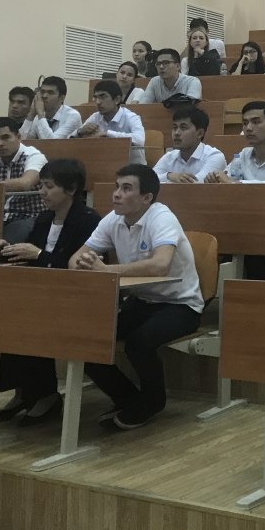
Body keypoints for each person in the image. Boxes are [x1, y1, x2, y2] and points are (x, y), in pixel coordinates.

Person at [71, 164, 204, 430]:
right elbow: (75, 260)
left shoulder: (161, 217)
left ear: (146, 197)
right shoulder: (113, 219)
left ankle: (153, 401)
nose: (116, 194)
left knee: (138, 343)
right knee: (87, 339)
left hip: (180, 305)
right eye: (116, 187)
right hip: (141, 301)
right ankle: (128, 398)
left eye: (126, 188)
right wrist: (83, 263)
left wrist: (106, 270)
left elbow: (160, 265)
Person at [0, 158, 101, 424]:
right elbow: (31, 257)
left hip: (77, 296)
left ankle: (45, 395)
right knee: (6, 315)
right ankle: (25, 391)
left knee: (30, 319)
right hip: (42, 293)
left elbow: (80, 267)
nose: (42, 192)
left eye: (49, 187)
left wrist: (39, 254)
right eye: (40, 186)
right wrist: (8, 250)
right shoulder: (44, 218)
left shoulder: (88, 220)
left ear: (71, 189)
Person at [209, 101, 265, 184]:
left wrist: (236, 183)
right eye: (245, 123)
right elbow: (226, 180)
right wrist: (215, 179)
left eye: (256, 122)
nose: (248, 128)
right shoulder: (242, 155)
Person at [76, 80, 146, 163]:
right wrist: (79, 131)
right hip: (106, 163)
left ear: (117, 100)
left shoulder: (131, 117)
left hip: (132, 166)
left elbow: (139, 140)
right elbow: (70, 138)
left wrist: (107, 134)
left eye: (103, 97)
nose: (98, 102)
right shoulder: (95, 116)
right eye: (96, 97)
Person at [152, 106, 227, 183]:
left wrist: (169, 180)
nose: (176, 133)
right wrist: (169, 175)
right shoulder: (169, 157)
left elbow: (194, 185)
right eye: (175, 127)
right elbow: (149, 180)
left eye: (183, 128)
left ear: (200, 133)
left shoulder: (214, 156)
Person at [137, 50, 202, 104]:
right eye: (158, 63)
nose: (161, 67)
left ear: (177, 66)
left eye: (166, 63)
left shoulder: (192, 81)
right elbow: (143, 106)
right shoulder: (154, 81)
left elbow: (192, 105)